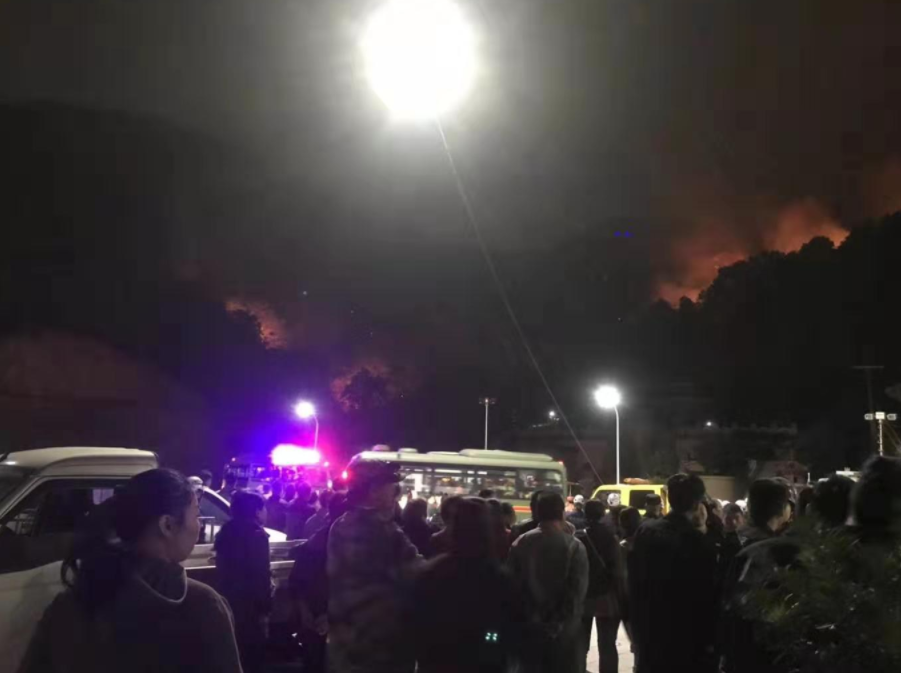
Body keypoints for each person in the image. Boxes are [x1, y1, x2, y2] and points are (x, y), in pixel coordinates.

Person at [19, 469, 242, 673]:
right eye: (196, 515)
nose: (199, 526)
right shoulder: (204, 607)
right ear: (167, 525)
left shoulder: (71, 603)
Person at [327, 461, 423, 673]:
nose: (395, 495)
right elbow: (418, 572)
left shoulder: (340, 525)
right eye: (392, 488)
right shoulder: (384, 530)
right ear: (374, 490)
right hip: (380, 644)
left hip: (345, 640)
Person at [411, 497, 524, 673]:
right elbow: (514, 630)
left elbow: (414, 625)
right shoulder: (500, 579)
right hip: (486, 663)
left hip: (438, 662)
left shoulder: (431, 573)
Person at [629, 473, 717, 673]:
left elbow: (635, 583)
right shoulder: (698, 542)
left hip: (651, 632)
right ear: (697, 503)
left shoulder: (645, 532)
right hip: (686, 640)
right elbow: (706, 596)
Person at [507, 491, 588, 673]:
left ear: (537, 512)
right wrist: (556, 624)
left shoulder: (521, 543)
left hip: (529, 631)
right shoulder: (574, 546)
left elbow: (511, 587)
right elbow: (576, 592)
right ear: (562, 513)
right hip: (564, 635)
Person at [721, 479, 796, 673]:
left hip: (736, 648)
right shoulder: (773, 551)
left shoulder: (732, 540)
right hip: (762, 652)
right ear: (781, 509)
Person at [215, 490, 272, 673]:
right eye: (263, 508)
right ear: (256, 511)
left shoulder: (226, 532)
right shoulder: (257, 535)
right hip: (250, 607)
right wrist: (265, 609)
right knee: (252, 656)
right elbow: (261, 575)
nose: (266, 512)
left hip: (228, 601)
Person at [576, 499, 621, 673]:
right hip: (606, 595)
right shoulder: (610, 536)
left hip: (583, 594)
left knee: (580, 643)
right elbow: (616, 567)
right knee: (607, 643)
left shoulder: (579, 537)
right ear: (603, 513)